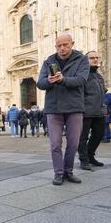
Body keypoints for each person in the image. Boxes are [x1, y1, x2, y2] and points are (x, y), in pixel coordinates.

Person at [37, 34, 89, 186]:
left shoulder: (81, 59)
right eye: (59, 46)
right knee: (55, 144)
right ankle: (58, 173)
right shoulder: (49, 61)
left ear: (72, 44)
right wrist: (49, 81)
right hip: (54, 107)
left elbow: (81, 79)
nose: (62, 48)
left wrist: (63, 79)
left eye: (65, 45)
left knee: (73, 143)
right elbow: (40, 83)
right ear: (56, 47)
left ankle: (69, 171)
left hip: (74, 107)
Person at [78, 51, 108, 170]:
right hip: (85, 112)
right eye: (92, 58)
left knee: (99, 135)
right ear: (86, 60)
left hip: (99, 112)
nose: (95, 59)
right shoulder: (82, 75)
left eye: (97, 57)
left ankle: (90, 156)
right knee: (82, 138)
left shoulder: (99, 76)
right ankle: (83, 160)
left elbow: (103, 92)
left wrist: (104, 108)